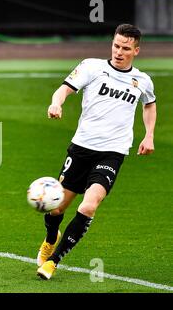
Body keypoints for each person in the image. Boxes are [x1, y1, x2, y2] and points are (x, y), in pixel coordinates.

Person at [36, 24, 157, 280]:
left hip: (112, 153)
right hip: (81, 149)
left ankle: (53, 262)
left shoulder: (142, 80)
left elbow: (149, 104)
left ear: (136, 50)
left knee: (89, 205)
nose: (119, 52)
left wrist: (149, 135)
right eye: (116, 45)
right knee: (56, 209)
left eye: (126, 48)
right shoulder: (92, 66)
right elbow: (65, 89)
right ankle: (50, 238)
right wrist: (55, 104)